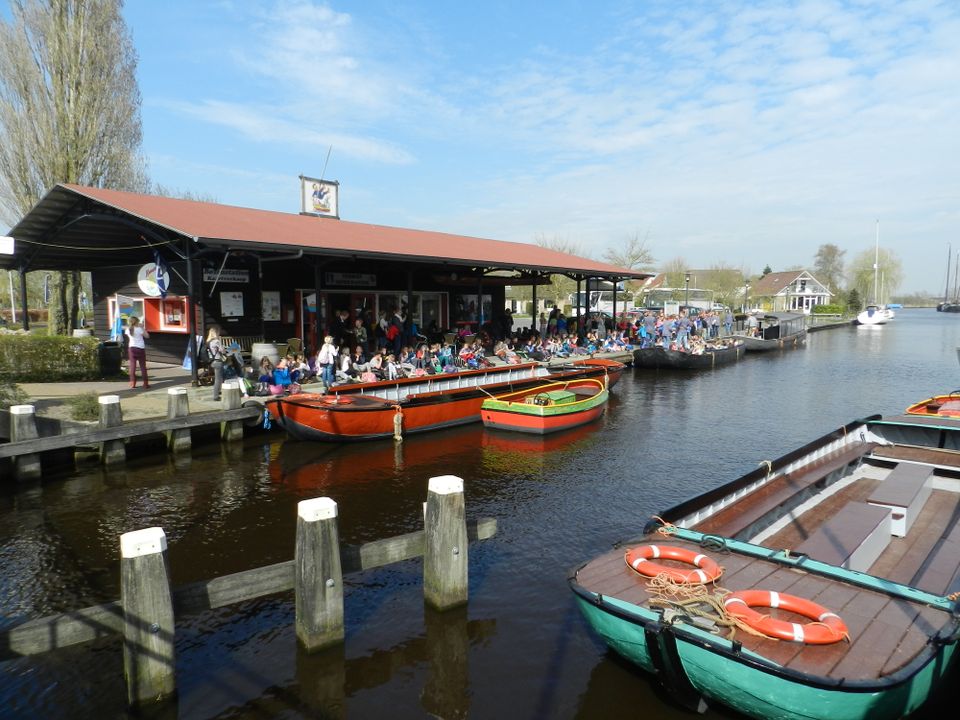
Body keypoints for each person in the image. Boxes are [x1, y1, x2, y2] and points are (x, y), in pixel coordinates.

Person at [125, 316, 150, 389]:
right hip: (140, 349)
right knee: (143, 367)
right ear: (137, 322)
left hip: (131, 348)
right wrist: (142, 328)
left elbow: (130, 335)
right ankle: (145, 384)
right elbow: (147, 336)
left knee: (132, 366)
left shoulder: (128, 329)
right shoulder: (139, 329)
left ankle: (132, 383)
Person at [205, 325, 225, 401]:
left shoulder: (208, 342)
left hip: (212, 362)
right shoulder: (216, 341)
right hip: (218, 361)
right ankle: (216, 396)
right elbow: (222, 350)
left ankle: (219, 391)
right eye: (218, 332)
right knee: (218, 379)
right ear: (216, 333)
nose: (219, 333)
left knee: (219, 378)